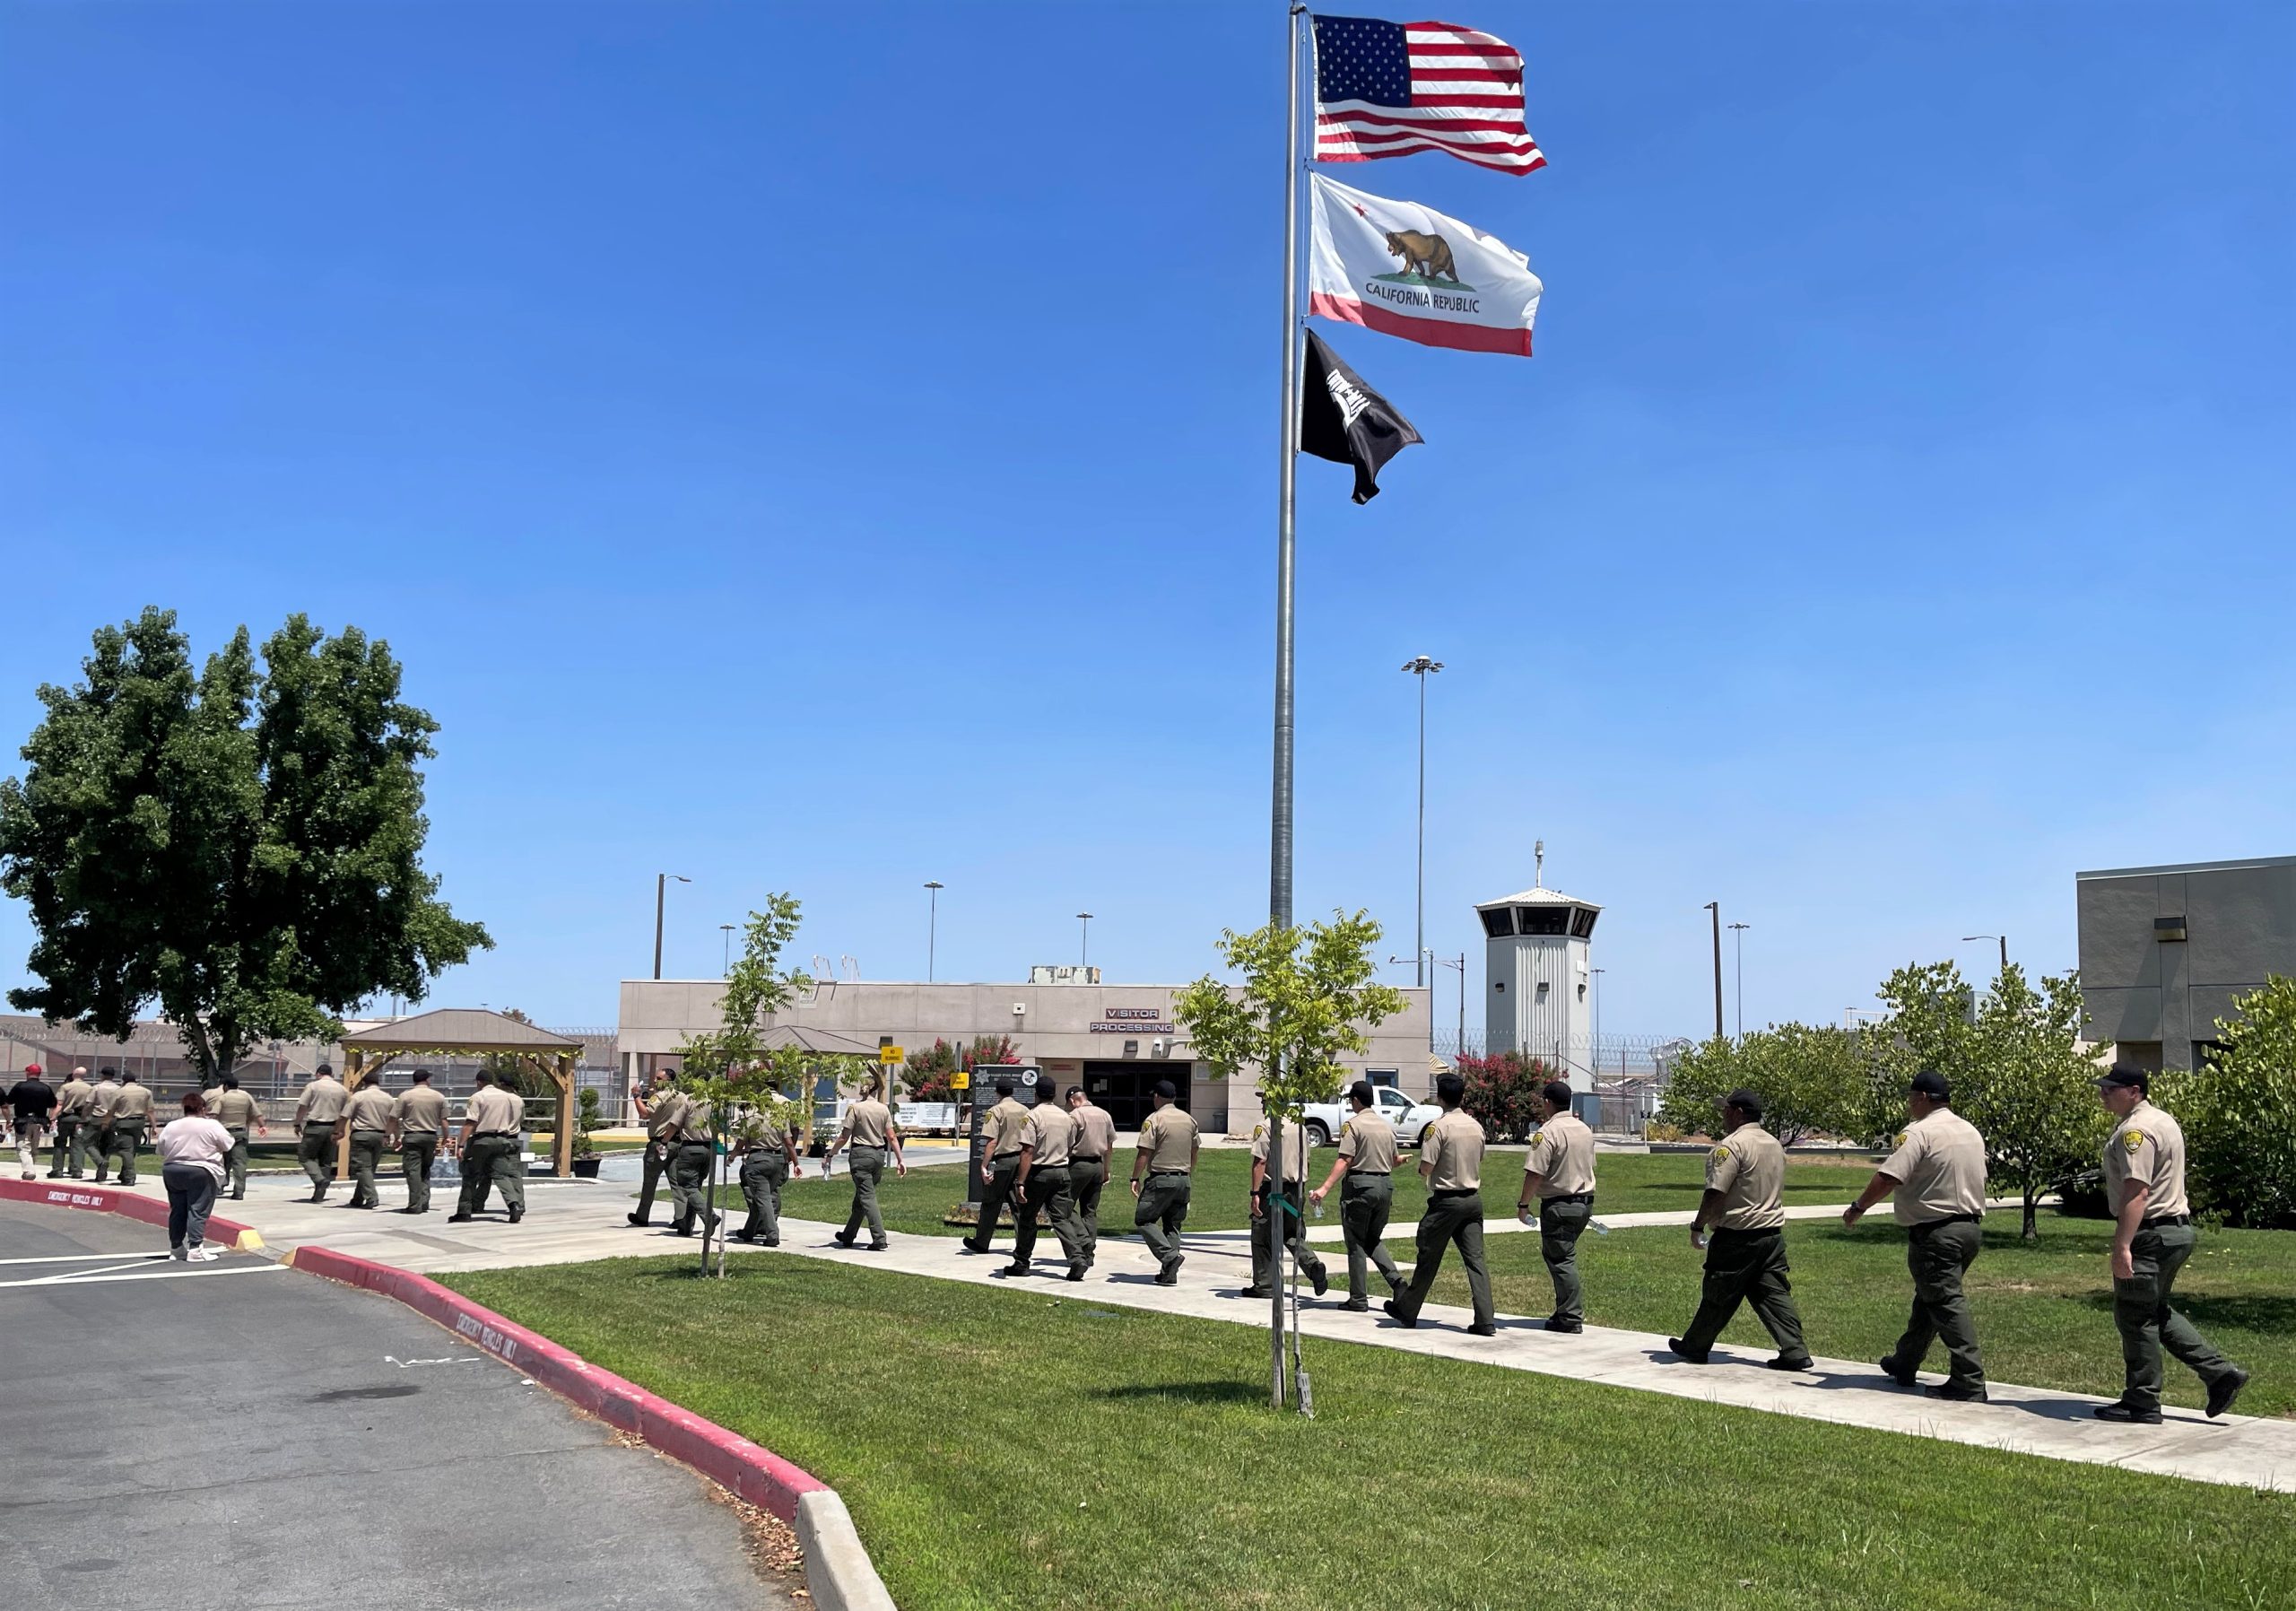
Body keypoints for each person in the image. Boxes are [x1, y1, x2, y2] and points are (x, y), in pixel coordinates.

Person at [2092, 1066, 2248, 1424]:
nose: (2103, 1094)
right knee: (2152, 1310)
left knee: (2135, 1317)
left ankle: (2142, 1401)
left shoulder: (2136, 1130)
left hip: (2151, 1233)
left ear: (2134, 1091)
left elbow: (2137, 1190)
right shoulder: (2163, 1120)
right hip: (2176, 1230)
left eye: (2110, 1089)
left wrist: (2122, 1246)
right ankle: (2220, 1374)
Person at [1842, 1069, 1989, 1400]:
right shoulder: (1970, 1131)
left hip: (1936, 1232)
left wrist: (1859, 1206)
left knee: (1946, 1302)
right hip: (1969, 1229)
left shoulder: (1918, 1132)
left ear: (1922, 1098)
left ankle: (1969, 1380)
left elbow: (1890, 1175)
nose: (1909, 1105)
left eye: (1911, 1099)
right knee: (1929, 1298)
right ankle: (1905, 1361)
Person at [1667, 1088, 1813, 1371]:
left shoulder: (1731, 1146)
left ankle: (1695, 1346)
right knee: (1773, 1294)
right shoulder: (1774, 1144)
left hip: (1738, 1236)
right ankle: (1795, 1350)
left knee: (1718, 1293)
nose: (1723, 1115)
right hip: (1771, 1235)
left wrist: (1698, 1226)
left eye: (1727, 1109)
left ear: (1739, 1113)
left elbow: (1715, 1192)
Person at [1386, 1073, 1494, 1335]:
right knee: (1476, 1261)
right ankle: (1486, 1319)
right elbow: (1481, 1157)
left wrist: (1423, 1171)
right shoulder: (1476, 1126)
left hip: (1446, 1201)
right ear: (1463, 1097)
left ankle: (1408, 1310)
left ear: (1440, 1097)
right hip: (1472, 1200)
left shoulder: (1438, 1127)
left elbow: (1426, 1167)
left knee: (1428, 1256)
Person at [1309, 1081, 1402, 1311]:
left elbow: (1345, 1158)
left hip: (1360, 1186)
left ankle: (1358, 1298)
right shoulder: (1385, 1126)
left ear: (1357, 1100)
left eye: (1351, 1100)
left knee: (1356, 1244)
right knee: (1372, 1239)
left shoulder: (1353, 1125)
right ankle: (1398, 1282)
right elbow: (1394, 1160)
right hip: (1385, 1186)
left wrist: (1324, 1188)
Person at [1517, 1079, 1597, 1334]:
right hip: (1584, 1203)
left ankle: (1570, 1317)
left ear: (1547, 1103)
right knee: (1564, 1254)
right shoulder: (1584, 1129)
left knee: (1562, 1259)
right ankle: (1564, 1309)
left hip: (1559, 1205)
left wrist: (1523, 1205)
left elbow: (1535, 1173)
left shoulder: (1547, 1133)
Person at [1245, 1094, 1329, 1302]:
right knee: (1291, 1233)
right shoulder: (1299, 1127)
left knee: (1262, 1236)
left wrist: (1255, 1193)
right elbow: (1306, 1159)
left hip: (1272, 1192)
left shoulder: (1266, 1126)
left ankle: (1265, 1285)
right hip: (1296, 1189)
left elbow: (1260, 1161)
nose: (1262, 1104)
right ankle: (1312, 1265)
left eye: (1265, 1100)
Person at [1003, 1077, 1088, 1280]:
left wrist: (1021, 1181)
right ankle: (1077, 1258)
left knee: (1027, 1218)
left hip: (1039, 1173)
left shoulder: (1032, 1116)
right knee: (1061, 1217)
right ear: (1055, 1094)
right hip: (1062, 1171)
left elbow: (1027, 1151)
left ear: (1036, 1094)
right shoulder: (1066, 1117)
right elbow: (1070, 1145)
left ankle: (1021, 1262)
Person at [1128, 1081, 1199, 1284]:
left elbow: (1144, 1151)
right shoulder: (1189, 1120)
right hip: (1183, 1179)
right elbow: (1195, 1150)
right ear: (1174, 1098)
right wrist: (1188, 1172)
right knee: (1173, 1226)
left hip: (1161, 1179)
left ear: (1157, 1097)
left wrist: (1135, 1177)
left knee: (1144, 1219)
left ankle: (1169, 1257)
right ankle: (1169, 1274)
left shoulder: (1154, 1119)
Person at [823, 1075, 905, 1250]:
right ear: (875, 1090)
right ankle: (848, 1235)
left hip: (861, 1155)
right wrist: (900, 1159)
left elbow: (844, 1136)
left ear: (863, 1089)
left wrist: (830, 1153)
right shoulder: (883, 1109)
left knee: (867, 1197)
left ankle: (879, 1238)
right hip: (878, 1156)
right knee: (861, 1198)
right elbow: (891, 1136)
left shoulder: (856, 1109)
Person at [157, 1092, 234, 1260]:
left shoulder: (172, 1126)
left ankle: (176, 1248)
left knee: (177, 1210)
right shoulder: (211, 1125)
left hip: (173, 1170)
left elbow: (161, 1149)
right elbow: (228, 1144)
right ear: (203, 1108)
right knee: (197, 1209)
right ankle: (195, 1248)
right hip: (201, 1170)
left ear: (184, 1108)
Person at [959, 1075, 1031, 1256]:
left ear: (997, 1092)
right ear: (1012, 1092)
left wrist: (984, 1165)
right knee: (1018, 1204)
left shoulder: (995, 1111)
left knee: (991, 1201)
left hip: (1004, 1160)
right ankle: (1024, 1245)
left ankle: (981, 1242)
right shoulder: (1025, 1110)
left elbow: (992, 1141)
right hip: (1021, 1159)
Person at [448, 1069, 526, 1223]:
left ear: (479, 1082)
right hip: (502, 1139)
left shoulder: (478, 1097)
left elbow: (471, 1122)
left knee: (470, 1174)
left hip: (482, 1140)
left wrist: (461, 1145)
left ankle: (464, 1211)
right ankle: (514, 1204)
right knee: (500, 1174)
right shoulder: (508, 1097)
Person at [731, 1101, 803, 1245]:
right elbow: (789, 1142)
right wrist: (796, 1163)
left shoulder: (752, 1119)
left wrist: (732, 1156)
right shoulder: (780, 1119)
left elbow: (741, 1142)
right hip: (777, 1160)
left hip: (758, 1159)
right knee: (762, 1196)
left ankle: (772, 1234)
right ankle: (748, 1231)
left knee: (763, 1198)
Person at [1065, 1084, 1117, 1264]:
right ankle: (1089, 1254)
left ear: (1073, 1101)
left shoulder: (1075, 1116)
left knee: (1064, 1205)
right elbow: (1109, 1147)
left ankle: (1084, 1241)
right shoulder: (1104, 1114)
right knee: (1090, 1210)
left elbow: (1069, 1144)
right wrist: (1106, 1170)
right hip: (1098, 1165)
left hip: (1078, 1164)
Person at [664, 1083, 721, 1239]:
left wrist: (664, 1142)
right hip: (709, 1149)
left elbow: (675, 1124)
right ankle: (686, 1226)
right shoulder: (715, 1101)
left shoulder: (689, 1100)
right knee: (695, 1187)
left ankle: (709, 1217)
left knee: (687, 1186)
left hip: (690, 1147)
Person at [202, 1075, 267, 1200]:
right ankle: (239, 1191)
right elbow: (257, 1113)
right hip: (241, 1133)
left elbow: (214, 1115)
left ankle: (220, 1186)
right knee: (239, 1163)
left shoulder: (223, 1098)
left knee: (222, 1161)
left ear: (225, 1086)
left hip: (224, 1133)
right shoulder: (246, 1096)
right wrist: (262, 1126)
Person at [393, 1069, 449, 1214]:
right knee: (425, 1169)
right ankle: (424, 1201)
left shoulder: (405, 1096)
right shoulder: (439, 1097)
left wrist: (394, 1136)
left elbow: (393, 1118)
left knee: (413, 1171)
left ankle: (414, 1204)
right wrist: (446, 1138)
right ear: (427, 1080)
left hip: (412, 1136)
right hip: (430, 1136)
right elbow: (444, 1120)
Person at [627, 1066, 678, 1227]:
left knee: (650, 1181)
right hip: (676, 1143)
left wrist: (636, 1096)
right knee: (676, 1183)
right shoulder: (681, 1096)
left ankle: (642, 1216)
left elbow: (644, 1114)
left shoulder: (659, 1097)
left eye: (658, 1079)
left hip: (659, 1143)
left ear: (668, 1081)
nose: (655, 1081)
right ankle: (681, 1218)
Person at [293, 1064, 349, 1203]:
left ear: (318, 1073)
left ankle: (319, 1179)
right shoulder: (342, 1089)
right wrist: (341, 1129)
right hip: (333, 1127)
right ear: (332, 1075)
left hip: (315, 1126)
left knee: (305, 1156)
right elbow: (345, 1113)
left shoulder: (313, 1086)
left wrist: (297, 1123)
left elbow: (303, 1106)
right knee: (326, 1161)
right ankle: (319, 1194)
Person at [342, 1075, 398, 1210]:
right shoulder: (389, 1099)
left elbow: (344, 1115)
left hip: (361, 1134)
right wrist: (396, 1137)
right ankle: (358, 1199)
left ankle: (372, 1197)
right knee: (369, 1168)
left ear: (364, 1083)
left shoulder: (359, 1096)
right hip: (380, 1135)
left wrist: (338, 1131)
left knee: (362, 1167)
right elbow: (393, 1120)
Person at [100, 1070, 155, 1187]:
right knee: (132, 1150)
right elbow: (150, 1111)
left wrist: (105, 1123)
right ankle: (124, 1174)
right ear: (136, 1081)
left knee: (126, 1151)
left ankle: (130, 1177)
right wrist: (154, 1126)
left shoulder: (119, 1092)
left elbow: (111, 1111)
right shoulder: (146, 1092)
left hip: (124, 1123)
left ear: (123, 1081)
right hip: (139, 1123)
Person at [9, 1062, 57, 1181]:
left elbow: (9, 1100)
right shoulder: (46, 1088)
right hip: (40, 1121)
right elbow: (53, 1104)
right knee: (34, 1148)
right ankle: (30, 1169)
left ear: (28, 1073)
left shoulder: (20, 1086)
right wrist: (51, 1119)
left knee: (23, 1148)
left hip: (23, 1121)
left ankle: (29, 1171)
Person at [50, 1065, 96, 1179]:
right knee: (78, 1144)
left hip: (66, 1118)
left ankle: (57, 1170)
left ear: (74, 1074)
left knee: (60, 1144)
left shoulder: (66, 1087)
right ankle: (77, 1170)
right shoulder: (90, 1088)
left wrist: (53, 1117)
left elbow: (59, 1104)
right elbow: (91, 1105)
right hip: (81, 1118)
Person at [84, 1067, 124, 1181]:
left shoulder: (97, 1088)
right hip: (113, 1119)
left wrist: (84, 1117)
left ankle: (101, 1162)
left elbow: (89, 1104)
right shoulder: (119, 1089)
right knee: (106, 1145)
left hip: (98, 1118)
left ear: (102, 1075)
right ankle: (101, 1172)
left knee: (86, 1142)